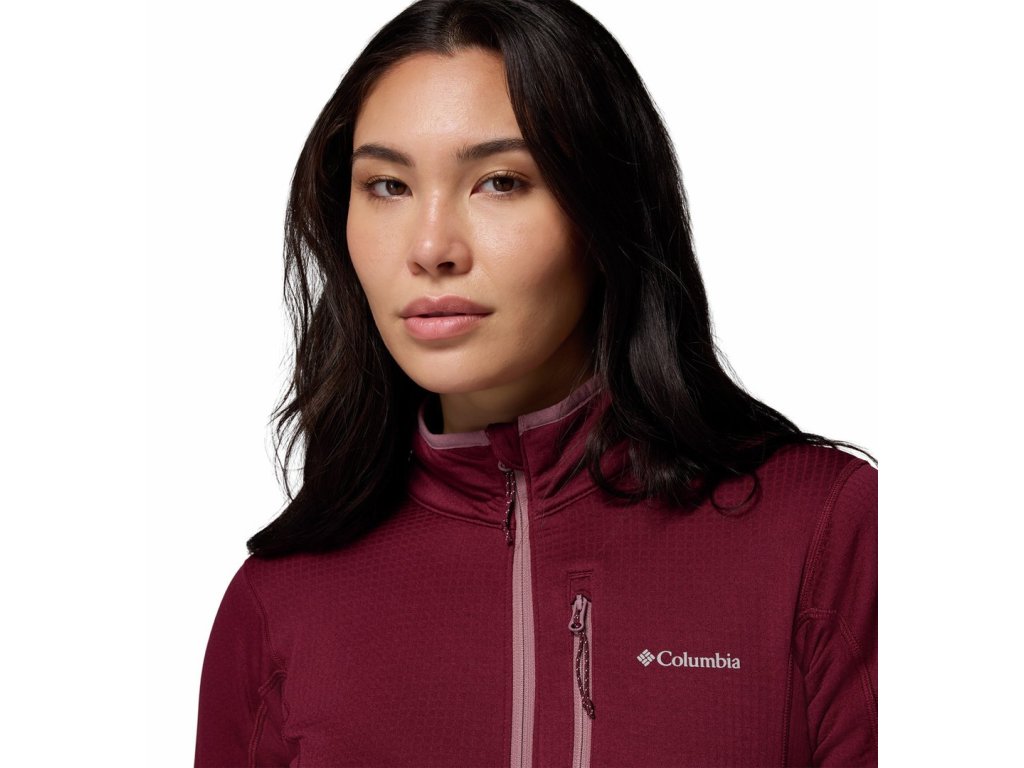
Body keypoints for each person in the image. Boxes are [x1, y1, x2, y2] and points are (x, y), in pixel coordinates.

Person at [194, 1, 878, 766]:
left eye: (499, 181)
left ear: (605, 210)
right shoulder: (278, 601)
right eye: (386, 185)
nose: (431, 247)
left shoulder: (826, 534)